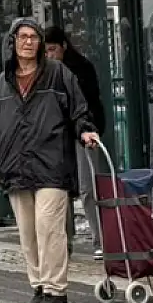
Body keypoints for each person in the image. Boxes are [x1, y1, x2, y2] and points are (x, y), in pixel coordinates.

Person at [0, 17, 100, 303]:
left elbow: (78, 109)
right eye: (22, 36)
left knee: (50, 228)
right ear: (12, 42)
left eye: (33, 36)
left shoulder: (58, 74)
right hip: (15, 166)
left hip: (51, 163)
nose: (28, 42)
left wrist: (84, 129)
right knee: (28, 232)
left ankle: (56, 289)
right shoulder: (3, 82)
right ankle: (39, 286)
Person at [44, 26, 108, 257]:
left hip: (83, 134)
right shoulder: (47, 73)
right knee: (61, 187)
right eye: (46, 51)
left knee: (87, 187)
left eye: (52, 49)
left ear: (63, 46)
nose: (49, 55)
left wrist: (88, 129)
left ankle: (100, 238)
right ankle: (64, 240)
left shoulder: (80, 68)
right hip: (60, 137)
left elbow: (90, 105)